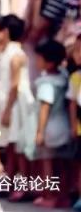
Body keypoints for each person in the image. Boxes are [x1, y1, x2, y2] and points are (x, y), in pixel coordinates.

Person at [0, 15, 33, 193]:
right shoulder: (3, 54)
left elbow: (15, 85)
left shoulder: (16, 56)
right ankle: (8, 183)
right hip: (4, 102)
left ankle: (21, 186)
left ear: (5, 32)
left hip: (14, 105)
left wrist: (7, 110)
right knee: (8, 146)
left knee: (17, 146)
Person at [32, 40, 72, 208]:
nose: (36, 62)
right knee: (62, 164)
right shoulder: (63, 77)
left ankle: (49, 195)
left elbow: (44, 108)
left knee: (47, 163)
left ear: (48, 62)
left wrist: (40, 132)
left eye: (39, 58)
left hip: (50, 128)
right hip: (64, 124)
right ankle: (63, 195)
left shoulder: (46, 83)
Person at [66, 35, 81, 210]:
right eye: (76, 50)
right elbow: (72, 104)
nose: (77, 55)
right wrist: (72, 126)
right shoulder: (75, 77)